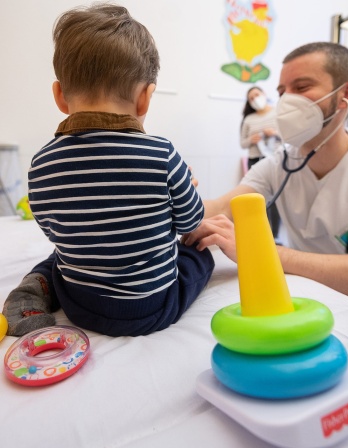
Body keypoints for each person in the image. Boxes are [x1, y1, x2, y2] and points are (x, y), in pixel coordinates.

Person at [183, 41, 348, 348]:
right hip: (327, 286)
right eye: (282, 92)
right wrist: (173, 193)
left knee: (321, 336)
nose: (287, 101)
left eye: (302, 86)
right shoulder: (281, 162)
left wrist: (258, 251)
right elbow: (219, 207)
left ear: (346, 95)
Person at [2, 4, 214, 337]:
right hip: (154, 308)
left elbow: (55, 232)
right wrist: (184, 185)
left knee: (61, 257)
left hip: (80, 306)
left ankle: (37, 286)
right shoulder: (162, 153)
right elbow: (191, 222)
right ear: (145, 98)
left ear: (59, 95)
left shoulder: (41, 163)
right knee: (199, 255)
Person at [240, 86, 281, 239]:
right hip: (254, 161)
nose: (255, 99)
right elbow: (242, 143)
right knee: (257, 199)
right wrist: (251, 140)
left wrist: (274, 134)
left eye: (256, 95)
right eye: (251, 98)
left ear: (264, 94)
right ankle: (260, 234)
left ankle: (274, 235)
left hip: (275, 160)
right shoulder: (249, 120)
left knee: (275, 200)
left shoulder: (277, 112)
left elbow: (288, 136)